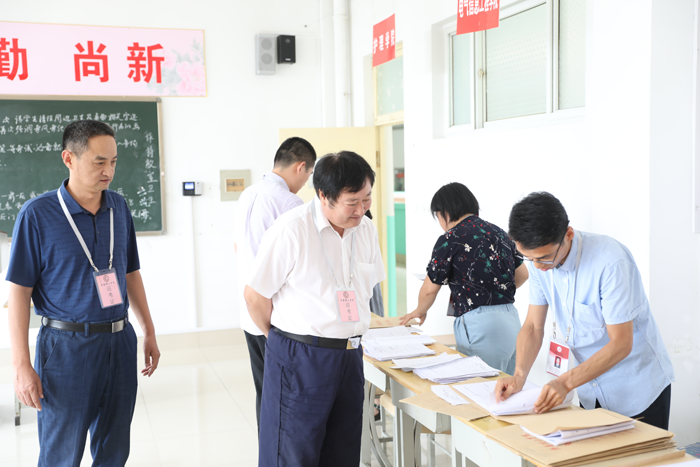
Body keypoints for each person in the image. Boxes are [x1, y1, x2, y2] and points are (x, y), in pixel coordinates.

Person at [6, 120, 160, 466]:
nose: (109, 172)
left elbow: (130, 274)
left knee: (114, 447)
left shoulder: (118, 207)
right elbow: (18, 294)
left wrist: (148, 330)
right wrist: (21, 364)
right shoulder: (37, 215)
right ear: (69, 158)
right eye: (99, 162)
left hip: (119, 341)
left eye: (114, 162)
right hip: (66, 347)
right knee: (62, 452)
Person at [244, 151, 385, 467]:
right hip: (301, 356)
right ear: (323, 195)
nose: (361, 210)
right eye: (352, 202)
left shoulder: (366, 230)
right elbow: (255, 296)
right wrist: (281, 341)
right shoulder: (291, 229)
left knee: (343, 452)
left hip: (350, 356)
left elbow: (367, 290)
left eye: (366, 199)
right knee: (293, 453)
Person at [495, 192, 675, 429]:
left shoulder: (610, 262)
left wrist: (565, 383)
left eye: (545, 258)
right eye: (529, 258)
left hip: (637, 390)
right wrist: (519, 375)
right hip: (590, 389)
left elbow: (621, 343)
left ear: (568, 234)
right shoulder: (539, 264)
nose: (538, 267)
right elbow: (533, 326)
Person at [233, 136, 316, 432]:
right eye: (308, 175)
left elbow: (237, 247)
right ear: (301, 167)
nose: (305, 183)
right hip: (277, 318)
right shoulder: (289, 203)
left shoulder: (247, 194)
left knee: (264, 392)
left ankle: (268, 451)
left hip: (250, 311)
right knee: (286, 396)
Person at [400, 182, 528, 374]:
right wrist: (496, 290)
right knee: (508, 386)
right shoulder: (500, 233)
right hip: (511, 319)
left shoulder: (450, 239)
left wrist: (420, 310)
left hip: (479, 324)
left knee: (480, 385)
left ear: (444, 212)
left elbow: (429, 289)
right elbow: (523, 274)